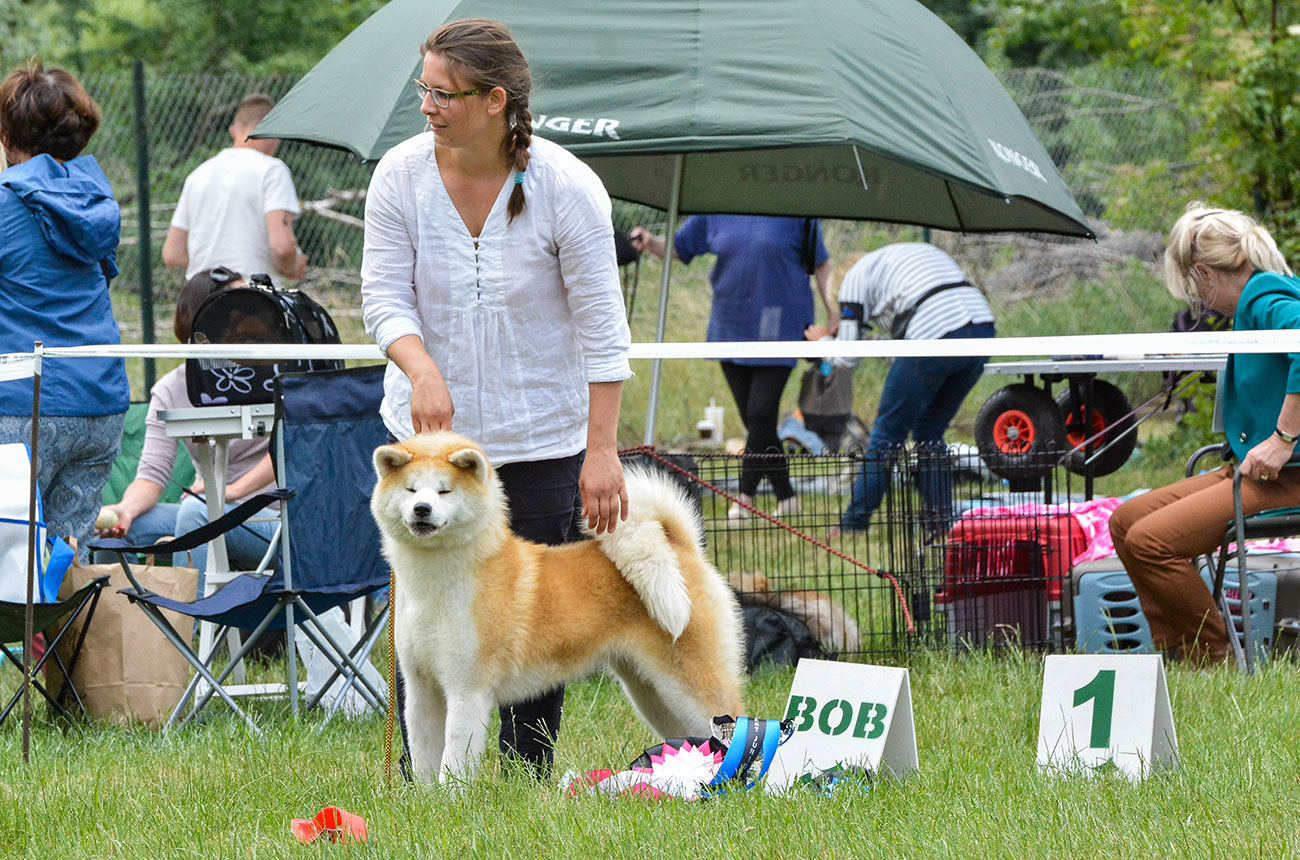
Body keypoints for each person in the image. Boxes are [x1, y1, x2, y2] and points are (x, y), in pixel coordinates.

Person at [360, 18, 631, 779]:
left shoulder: (567, 187)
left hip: (541, 440)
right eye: (424, 88)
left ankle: (525, 777)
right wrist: (420, 369)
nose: (427, 106)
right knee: (429, 623)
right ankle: (430, 785)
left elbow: (605, 330)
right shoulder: (399, 177)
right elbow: (381, 295)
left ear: (495, 101)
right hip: (423, 450)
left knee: (524, 621)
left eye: (444, 93)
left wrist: (601, 450)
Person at [1109, 203, 1300, 663]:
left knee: (1151, 542)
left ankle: (1214, 658)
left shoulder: (1265, 298)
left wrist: (1283, 439)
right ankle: (1175, 654)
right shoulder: (1261, 298)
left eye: (1193, 285)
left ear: (1204, 273)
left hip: (1286, 475)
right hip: (1251, 469)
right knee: (1125, 522)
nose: (1196, 297)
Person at [0, 61, 129, 560]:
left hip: (23, 405)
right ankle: (52, 639)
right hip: (100, 401)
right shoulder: (94, 198)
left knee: (10, 559)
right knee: (61, 554)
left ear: (8, 135)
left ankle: (20, 640)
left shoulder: (8, 204)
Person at [630, 216, 833, 520]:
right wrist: (649, 241)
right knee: (757, 424)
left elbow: (822, 265)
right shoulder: (717, 208)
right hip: (730, 327)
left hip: (780, 327)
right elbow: (679, 247)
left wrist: (833, 319)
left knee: (761, 413)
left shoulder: (794, 210)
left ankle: (744, 498)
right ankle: (786, 496)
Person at [96, 268, 279, 589]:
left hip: (273, 520)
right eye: (238, 308)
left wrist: (232, 491)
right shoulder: (171, 389)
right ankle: (114, 633)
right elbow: (152, 475)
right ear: (206, 323)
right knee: (114, 532)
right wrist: (125, 510)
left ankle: (186, 628)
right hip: (208, 510)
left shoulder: (274, 372)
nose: (253, 313)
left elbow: (290, 449)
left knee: (196, 513)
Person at [804, 242, 995, 536]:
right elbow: (913, 352)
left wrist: (822, 343)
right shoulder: (892, 263)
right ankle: (940, 522)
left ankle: (853, 524)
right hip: (982, 328)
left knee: (886, 435)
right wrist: (875, 345)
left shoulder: (852, 280)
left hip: (935, 331)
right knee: (930, 432)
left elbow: (846, 356)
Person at [162, 93, 308, 287]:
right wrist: (292, 266)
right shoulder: (272, 171)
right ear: (272, 131)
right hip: (251, 299)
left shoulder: (198, 175)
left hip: (201, 298)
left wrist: (215, 268)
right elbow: (282, 248)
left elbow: (172, 254)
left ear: (234, 131)